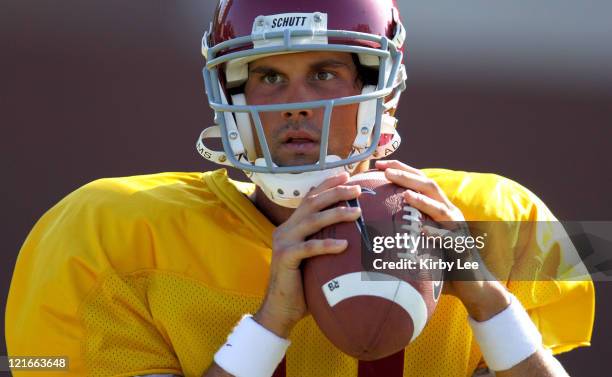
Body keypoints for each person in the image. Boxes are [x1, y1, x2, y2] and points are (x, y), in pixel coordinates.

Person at [6, 0, 594, 376]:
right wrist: (269, 326)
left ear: (382, 90)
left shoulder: (489, 220)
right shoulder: (112, 231)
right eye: (268, 77)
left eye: (324, 73)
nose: (296, 107)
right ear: (233, 97)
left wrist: (487, 298)